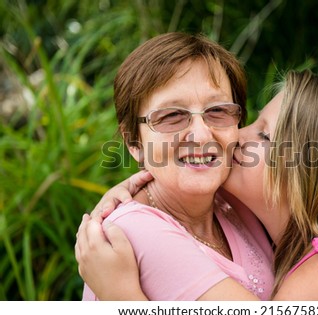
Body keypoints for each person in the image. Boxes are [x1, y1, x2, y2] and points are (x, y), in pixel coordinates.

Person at [76, 52, 318, 299]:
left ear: (317, 178)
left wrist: (121, 300)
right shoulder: (225, 205)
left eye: (264, 135)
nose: (237, 136)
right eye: (171, 117)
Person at [80, 31, 274, 301]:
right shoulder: (135, 231)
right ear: (134, 143)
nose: (201, 135)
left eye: (218, 111)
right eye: (171, 116)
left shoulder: (232, 201)